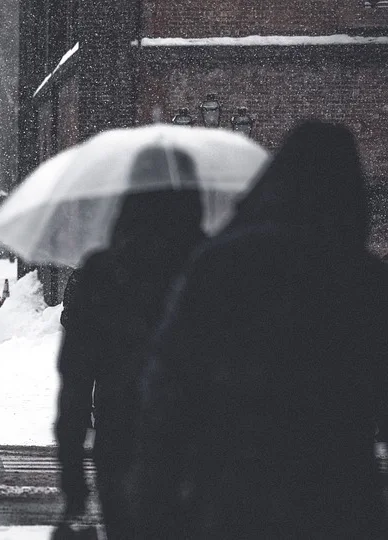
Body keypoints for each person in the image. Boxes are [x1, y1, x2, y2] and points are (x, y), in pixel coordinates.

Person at [132, 121, 388, 539]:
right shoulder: (364, 281)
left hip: (233, 496)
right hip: (339, 501)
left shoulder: (220, 267)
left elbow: (170, 387)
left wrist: (156, 501)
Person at [54, 146, 206, 540]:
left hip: (121, 435)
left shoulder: (103, 271)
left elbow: (75, 376)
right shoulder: (210, 267)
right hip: (194, 441)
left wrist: (72, 474)